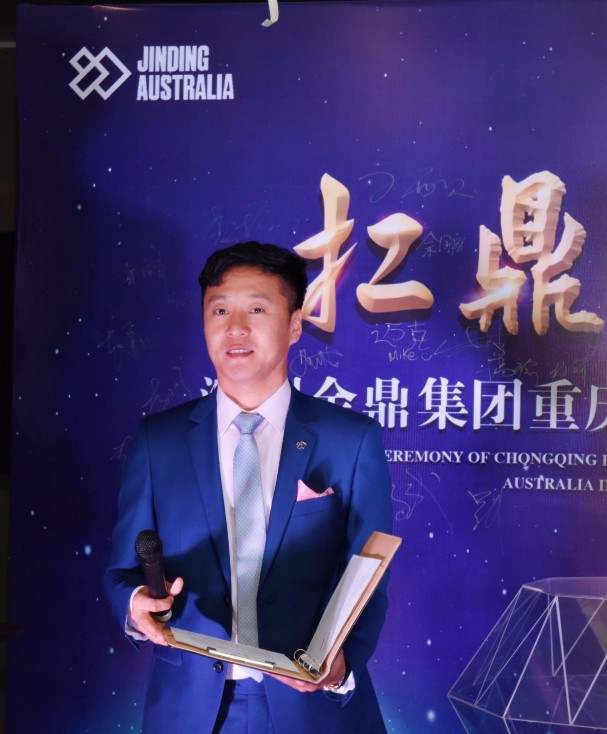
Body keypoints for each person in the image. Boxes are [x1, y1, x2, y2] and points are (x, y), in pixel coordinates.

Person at [104, 242, 392, 733]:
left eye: (257, 309)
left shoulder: (351, 440)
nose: (235, 327)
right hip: (190, 712)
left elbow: (369, 575)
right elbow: (123, 571)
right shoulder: (159, 441)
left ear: (295, 324)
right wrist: (135, 604)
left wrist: (341, 665)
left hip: (310, 709)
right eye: (219, 310)